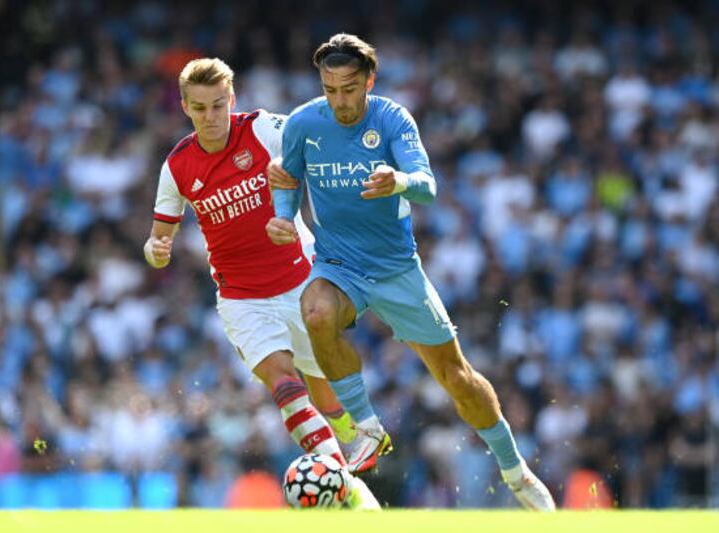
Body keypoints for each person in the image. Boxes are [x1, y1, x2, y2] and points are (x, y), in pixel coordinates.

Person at [267, 34, 555, 510]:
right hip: (338, 263)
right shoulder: (303, 122)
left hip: (396, 268)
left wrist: (398, 180)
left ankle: (514, 469)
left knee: (456, 377)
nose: (340, 100)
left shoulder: (393, 118)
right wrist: (282, 216)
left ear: (369, 82)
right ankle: (367, 427)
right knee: (315, 313)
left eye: (349, 88)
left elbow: (428, 186)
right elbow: (288, 176)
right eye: (330, 89)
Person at [143, 57, 377, 509]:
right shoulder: (177, 166)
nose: (211, 118)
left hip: (302, 278)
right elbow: (158, 239)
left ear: (231, 99)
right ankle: (349, 492)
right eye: (200, 108)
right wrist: (155, 251)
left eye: (218, 105)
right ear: (185, 107)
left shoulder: (264, 130)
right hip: (241, 296)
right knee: (283, 382)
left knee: (325, 390)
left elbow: (319, 141)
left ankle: (353, 436)